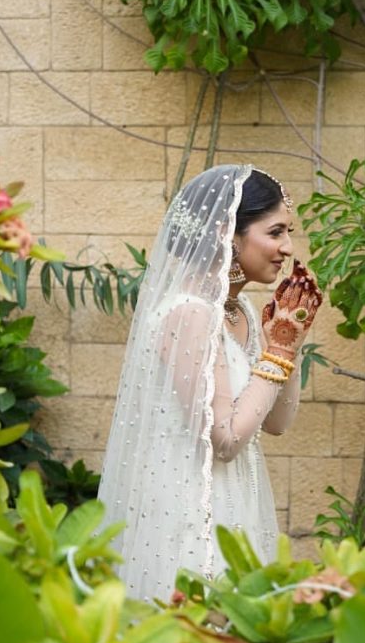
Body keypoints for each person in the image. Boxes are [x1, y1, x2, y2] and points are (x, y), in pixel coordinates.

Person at [97, 165, 323, 600]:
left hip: (238, 502)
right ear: (229, 235)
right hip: (191, 511)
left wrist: (288, 342)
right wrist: (277, 352)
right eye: (275, 232)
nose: (287, 248)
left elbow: (276, 423)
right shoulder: (190, 313)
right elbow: (224, 439)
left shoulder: (237, 312)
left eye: (288, 233)